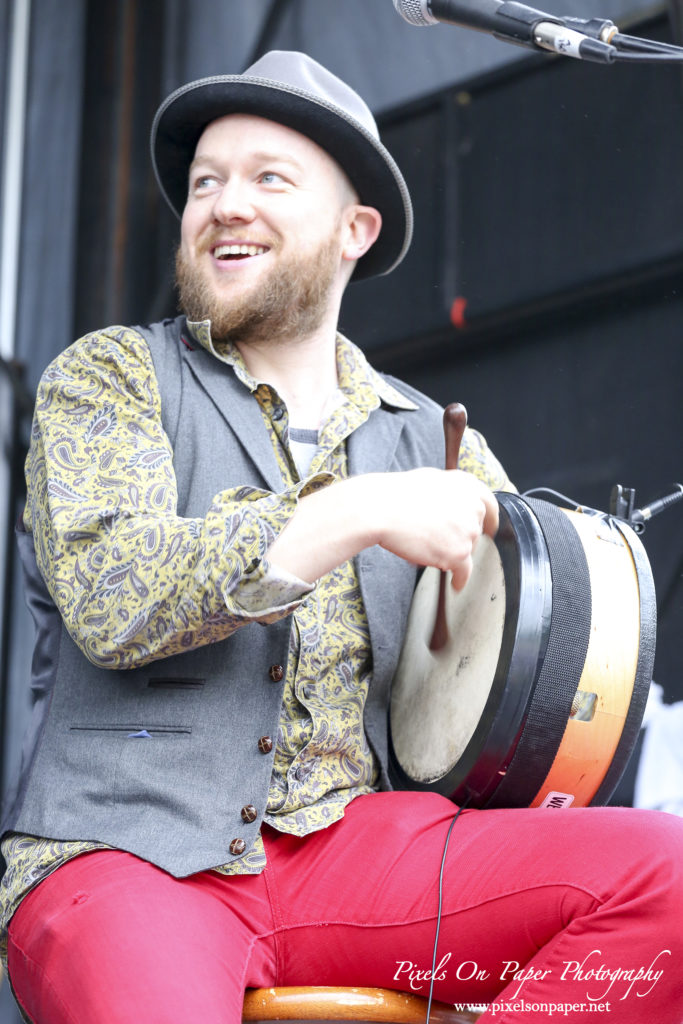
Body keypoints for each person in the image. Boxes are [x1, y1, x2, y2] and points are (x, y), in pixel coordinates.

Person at [1, 50, 682, 1024]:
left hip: (359, 856)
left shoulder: (428, 437)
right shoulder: (109, 378)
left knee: (662, 882)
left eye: (268, 178)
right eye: (205, 183)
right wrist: (348, 513)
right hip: (125, 854)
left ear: (354, 229)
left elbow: (517, 662)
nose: (224, 203)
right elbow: (114, 596)